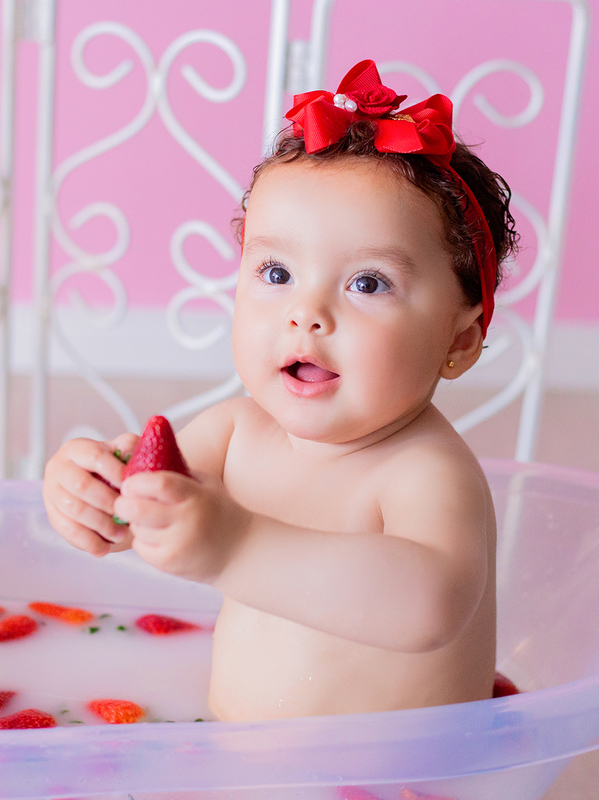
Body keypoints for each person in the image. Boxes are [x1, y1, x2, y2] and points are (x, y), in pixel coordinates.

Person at [44, 60, 518, 721]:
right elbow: (147, 508)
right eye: (276, 271)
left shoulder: (425, 472)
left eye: (368, 283)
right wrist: (90, 494)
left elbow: (429, 605)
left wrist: (234, 545)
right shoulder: (236, 432)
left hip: (388, 783)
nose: (308, 313)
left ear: (459, 341)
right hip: (241, 765)